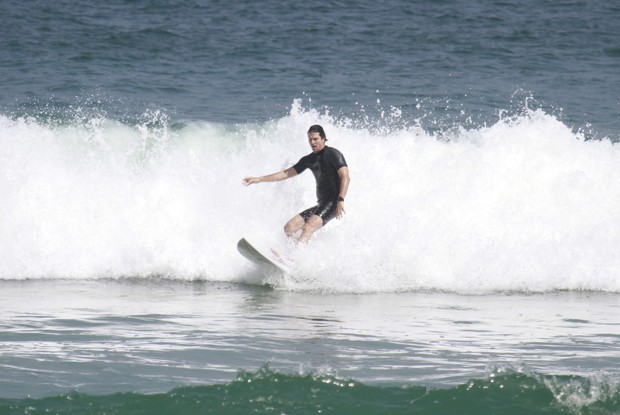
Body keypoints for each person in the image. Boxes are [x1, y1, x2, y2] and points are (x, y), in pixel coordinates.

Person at [242, 124, 350, 243]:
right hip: (322, 204)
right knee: (289, 228)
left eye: (315, 139)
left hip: (334, 203)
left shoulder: (333, 154)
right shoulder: (308, 160)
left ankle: (294, 258)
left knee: (308, 227)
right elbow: (285, 174)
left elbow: (345, 177)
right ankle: (298, 253)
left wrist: (340, 200)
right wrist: (259, 179)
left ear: (323, 138)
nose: (312, 142)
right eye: (310, 139)